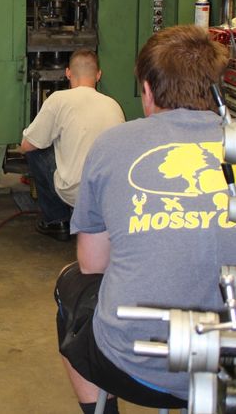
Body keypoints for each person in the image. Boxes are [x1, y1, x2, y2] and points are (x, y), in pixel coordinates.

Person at [55, 25, 233, 413]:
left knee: (70, 284)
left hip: (134, 364)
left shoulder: (114, 144)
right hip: (228, 371)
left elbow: (92, 263)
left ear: (148, 91)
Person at [19, 49, 124, 241]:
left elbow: (27, 145)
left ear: (68, 73)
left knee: (36, 150)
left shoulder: (59, 99)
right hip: (109, 194)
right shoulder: (113, 105)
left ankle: (57, 220)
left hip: (76, 192)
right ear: (99, 74)